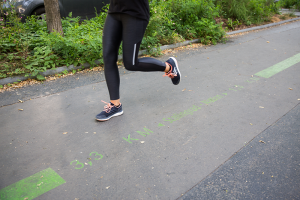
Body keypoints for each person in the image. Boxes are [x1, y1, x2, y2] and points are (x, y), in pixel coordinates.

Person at [96, 0, 181, 121]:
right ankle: (115, 106)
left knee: (131, 63)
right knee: (108, 57)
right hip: (114, 10)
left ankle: (169, 66)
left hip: (135, 13)